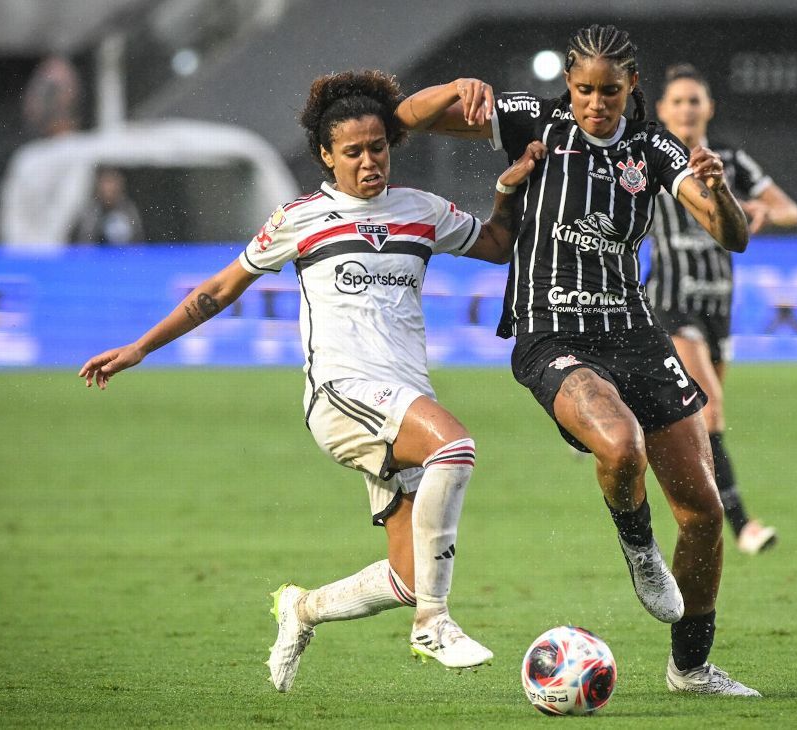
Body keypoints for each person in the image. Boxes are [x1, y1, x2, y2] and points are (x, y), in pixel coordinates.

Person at [78, 70, 541, 692]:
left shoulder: (422, 211)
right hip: (342, 395)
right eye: (352, 152)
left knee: (409, 575)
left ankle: (302, 609)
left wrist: (507, 192)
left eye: (377, 147)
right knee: (455, 448)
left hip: (404, 397)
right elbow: (218, 291)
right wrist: (140, 347)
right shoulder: (300, 219)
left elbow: (497, 245)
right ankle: (434, 624)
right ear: (326, 156)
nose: (369, 161)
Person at [396, 24, 761, 696]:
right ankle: (638, 547)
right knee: (621, 447)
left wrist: (723, 192)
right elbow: (405, 118)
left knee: (705, 512)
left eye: (611, 92)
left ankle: (690, 669)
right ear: (568, 83)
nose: (598, 103)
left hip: (635, 332)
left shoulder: (652, 147)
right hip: (553, 332)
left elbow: (730, 235)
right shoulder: (533, 122)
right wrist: (453, 89)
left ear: (632, 89)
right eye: (586, 89)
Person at [647, 63, 797, 555]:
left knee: (694, 424)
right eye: (677, 101)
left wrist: (762, 211)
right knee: (710, 407)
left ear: (709, 108)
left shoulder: (731, 162)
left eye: (695, 100)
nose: (687, 109)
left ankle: (691, 509)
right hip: (671, 302)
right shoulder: (648, 158)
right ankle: (742, 525)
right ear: (661, 111)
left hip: (719, 305)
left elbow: (789, 209)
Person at [70, 167, 145, 245]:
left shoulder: (128, 209)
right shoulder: (91, 210)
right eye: (106, 185)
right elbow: (84, 239)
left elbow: (137, 239)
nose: (109, 189)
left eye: (112, 185)